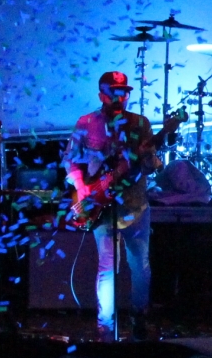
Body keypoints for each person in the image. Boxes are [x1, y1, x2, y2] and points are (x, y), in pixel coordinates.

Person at [67, 69, 160, 342]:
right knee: (107, 266)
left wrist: (148, 159)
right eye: (114, 93)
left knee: (140, 265)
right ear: (102, 95)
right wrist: (82, 187)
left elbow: (150, 166)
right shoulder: (86, 123)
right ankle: (105, 328)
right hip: (100, 203)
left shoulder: (141, 124)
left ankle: (139, 317)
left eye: (124, 92)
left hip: (135, 205)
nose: (121, 97)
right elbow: (70, 160)